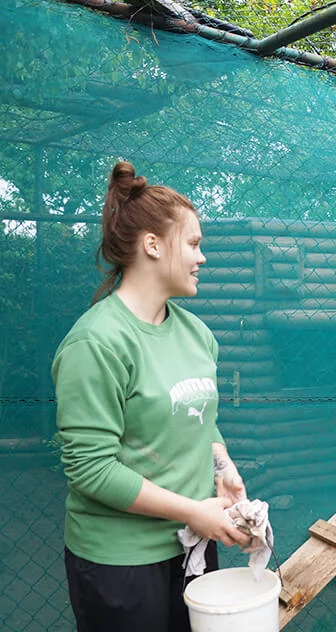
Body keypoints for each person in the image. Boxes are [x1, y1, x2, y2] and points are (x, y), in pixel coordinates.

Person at [52, 161, 251, 632]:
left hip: (191, 547)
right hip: (119, 563)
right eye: (195, 244)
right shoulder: (95, 343)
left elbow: (201, 418)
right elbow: (90, 469)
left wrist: (223, 469)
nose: (203, 258)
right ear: (153, 245)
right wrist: (194, 511)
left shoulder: (198, 335)